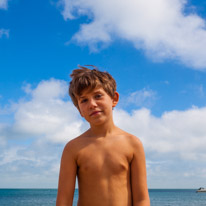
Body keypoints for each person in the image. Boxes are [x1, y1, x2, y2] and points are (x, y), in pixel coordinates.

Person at [56, 65, 150, 206]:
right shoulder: (73, 148)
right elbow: (63, 200)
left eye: (98, 96)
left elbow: (141, 198)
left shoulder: (132, 143)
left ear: (114, 98)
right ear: (79, 110)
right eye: (84, 100)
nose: (92, 104)